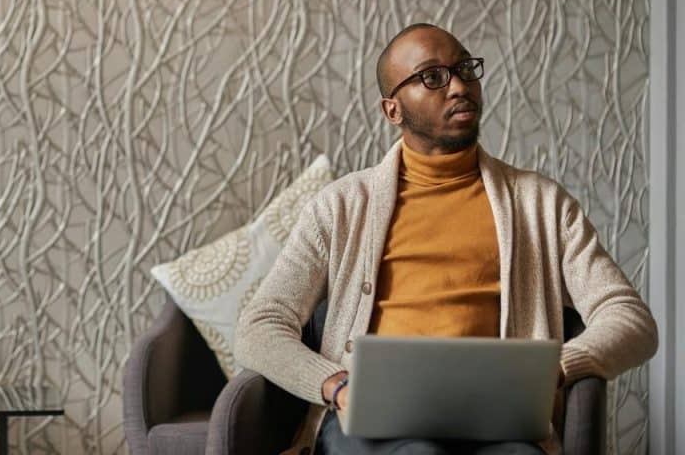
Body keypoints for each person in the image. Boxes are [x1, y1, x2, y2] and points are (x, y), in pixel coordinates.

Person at [234, 24, 657, 455]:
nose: (458, 86)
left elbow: (630, 318)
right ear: (392, 110)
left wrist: (560, 367)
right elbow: (260, 327)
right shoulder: (339, 207)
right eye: (432, 77)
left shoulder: (542, 204)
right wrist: (336, 385)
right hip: (374, 426)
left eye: (464, 70)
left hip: (498, 425)